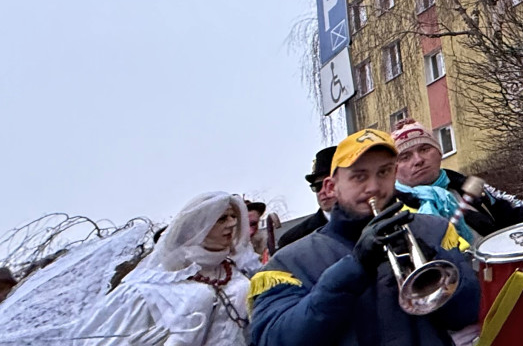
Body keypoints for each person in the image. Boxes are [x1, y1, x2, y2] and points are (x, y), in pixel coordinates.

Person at [247, 129, 479, 346]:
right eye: (359, 177)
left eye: (384, 172)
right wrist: (354, 267)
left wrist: (436, 263)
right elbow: (274, 338)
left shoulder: (435, 230)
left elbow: (471, 311)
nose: (374, 187)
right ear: (330, 187)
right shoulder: (289, 262)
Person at [70, 192, 257, 346]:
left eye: (233, 217)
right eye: (222, 218)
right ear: (199, 227)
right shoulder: (156, 280)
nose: (232, 223)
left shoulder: (237, 273)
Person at [391, 119, 523, 242]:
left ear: (439, 152)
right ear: (393, 169)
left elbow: (507, 212)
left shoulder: (465, 185)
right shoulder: (393, 211)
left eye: (424, 149)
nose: (418, 160)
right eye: (405, 157)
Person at [276, 146, 337, 249]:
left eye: (329, 184)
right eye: (317, 186)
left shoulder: (370, 224)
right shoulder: (293, 240)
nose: (323, 191)